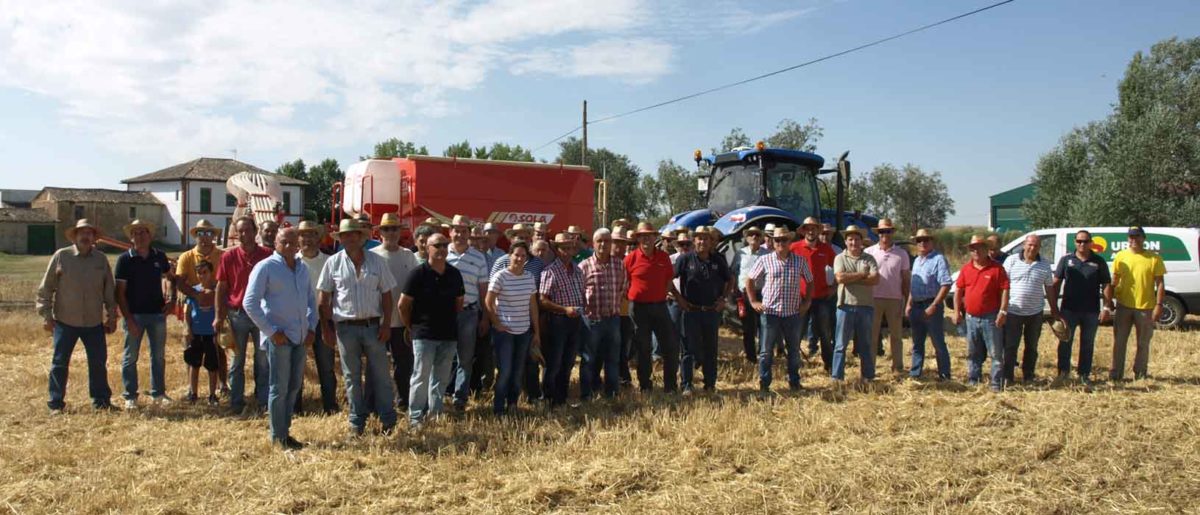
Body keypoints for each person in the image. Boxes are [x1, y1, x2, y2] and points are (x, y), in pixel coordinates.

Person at [318, 218, 398, 435]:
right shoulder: (332, 263)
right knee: (351, 377)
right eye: (346, 235)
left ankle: (388, 421)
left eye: (354, 234)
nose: (350, 238)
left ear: (362, 237)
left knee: (381, 376)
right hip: (345, 328)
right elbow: (323, 299)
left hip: (374, 326)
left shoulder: (377, 262)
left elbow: (387, 295)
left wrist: (386, 324)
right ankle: (356, 422)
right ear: (341, 239)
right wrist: (327, 329)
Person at [244, 228, 318, 450]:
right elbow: (250, 303)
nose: (288, 246)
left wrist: (312, 327)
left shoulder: (302, 268)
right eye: (283, 242)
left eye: (292, 242)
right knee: (279, 387)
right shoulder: (265, 267)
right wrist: (271, 331)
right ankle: (278, 436)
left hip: (300, 337)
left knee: (294, 386)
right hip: (280, 338)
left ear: (298, 245)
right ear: (275, 243)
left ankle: (285, 431)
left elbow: (311, 301)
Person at [37, 219, 117, 414]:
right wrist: (46, 315)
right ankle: (56, 404)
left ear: (93, 237)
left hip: (93, 323)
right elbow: (46, 289)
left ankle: (101, 402)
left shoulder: (100, 260)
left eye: (89, 233)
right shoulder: (61, 256)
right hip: (65, 321)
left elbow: (109, 291)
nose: (85, 236)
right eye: (82, 233)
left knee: (98, 363)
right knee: (59, 363)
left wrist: (112, 316)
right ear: (75, 236)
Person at [398, 233, 464, 428]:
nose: (442, 249)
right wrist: (411, 327)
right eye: (437, 245)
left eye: (445, 245)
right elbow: (403, 305)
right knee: (420, 377)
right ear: (427, 248)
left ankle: (436, 415)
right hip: (424, 334)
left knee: (441, 379)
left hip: (448, 335)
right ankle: (416, 418)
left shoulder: (454, 274)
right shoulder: (417, 274)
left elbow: (459, 303)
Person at [215, 216, 273, 415]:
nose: (244, 234)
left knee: (263, 360)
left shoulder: (267, 255)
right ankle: (236, 402)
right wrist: (219, 316)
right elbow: (221, 288)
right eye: (240, 231)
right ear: (235, 233)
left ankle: (264, 401)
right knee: (237, 362)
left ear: (255, 231)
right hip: (237, 314)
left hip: (261, 315)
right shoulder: (228, 257)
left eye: (247, 230)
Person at [115, 219, 175, 409]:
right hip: (134, 315)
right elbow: (120, 292)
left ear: (150, 236)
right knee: (130, 357)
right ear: (131, 237)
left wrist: (172, 300)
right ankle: (130, 396)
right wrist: (128, 319)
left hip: (157, 314)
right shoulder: (124, 259)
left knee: (158, 356)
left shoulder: (160, 256)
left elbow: (172, 278)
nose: (140, 236)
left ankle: (158, 393)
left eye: (143, 232)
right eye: (136, 233)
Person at [746, 226, 813, 393]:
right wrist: (753, 301)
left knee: (794, 351)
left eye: (784, 240)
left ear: (790, 241)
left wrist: (807, 303)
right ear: (773, 242)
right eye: (777, 240)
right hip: (770, 314)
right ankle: (764, 384)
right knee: (766, 352)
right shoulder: (765, 260)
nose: (780, 243)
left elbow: (810, 281)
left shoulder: (800, 261)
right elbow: (749, 280)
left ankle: (794, 383)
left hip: (792, 313)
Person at [625, 222, 688, 393]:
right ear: (637, 238)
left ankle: (670, 386)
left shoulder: (663, 257)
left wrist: (667, 293)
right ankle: (645, 385)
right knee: (643, 348)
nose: (646, 238)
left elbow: (669, 280)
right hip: (638, 309)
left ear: (655, 237)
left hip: (660, 306)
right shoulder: (630, 258)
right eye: (642, 236)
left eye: (649, 235)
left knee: (671, 346)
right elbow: (625, 282)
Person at [369, 213, 419, 411]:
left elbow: (416, 286)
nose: (391, 233)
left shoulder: (408, 255)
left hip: (402, 321)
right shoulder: (372, 256)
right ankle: (372, 404)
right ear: (380, 232)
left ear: (400, 231)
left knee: (403, 364)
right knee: (375, 365)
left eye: (394, 229)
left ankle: (403, 401)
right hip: (378, 321)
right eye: (387, 229)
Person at [1105, 226, 1166, 381]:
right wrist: (1109, 300)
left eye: (1137, 236)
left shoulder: (1154, 258)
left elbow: (1160, 284)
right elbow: (1114, 281)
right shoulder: (1120, 256)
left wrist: (1159, 305)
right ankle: (1116, 374)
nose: (1134, 240)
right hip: (1123, 306)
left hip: (1146, 308)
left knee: (1143, 343)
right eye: (1131, 237)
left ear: (1143, 238)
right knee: (1119, 342)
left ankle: (1140, 374)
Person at [675, 226, 732, 394]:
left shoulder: (718, 260)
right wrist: (679, 298)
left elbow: (730, 280)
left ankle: (710, 384)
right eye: (699, 238)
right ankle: (686, 385)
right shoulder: (684, 259)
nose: (702, 241)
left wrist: (723, 299)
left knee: (710, 348)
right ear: (694, 241)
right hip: (690, 310)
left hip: (711, 311)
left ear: (710, 241)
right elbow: (668, 280)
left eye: (706, 238)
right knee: (687, 350)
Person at [486, 241, 540, 415]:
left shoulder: (529, 277)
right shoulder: (500, 276)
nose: (519, 258)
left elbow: (533, 306)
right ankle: (499, 408)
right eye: (516, 255)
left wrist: (536, 331)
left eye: (523, 256)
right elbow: (488, 301)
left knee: (517, 372)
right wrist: (496, 323)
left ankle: (512, 404)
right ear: (510, 255)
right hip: (505, 333)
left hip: (523, 332)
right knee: (505, 372)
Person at [175, 219, 228, 396]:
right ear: (196, 236)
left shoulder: (222, 256)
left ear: (214, 236)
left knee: (219, 348)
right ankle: (192, 389)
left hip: (216, 306)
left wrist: (214, 296)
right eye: (200, 234)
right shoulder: (186, 257)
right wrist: (197, 295)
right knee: (192, 348)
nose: (204, 237)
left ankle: (222, 384)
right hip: (193, 306)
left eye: (208, 233)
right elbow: (180, 283)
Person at [1053, 230, 1111, 387]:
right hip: (1069, 309)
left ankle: (1084, 374)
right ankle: (1063, 373)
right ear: (1075, 242)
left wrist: (1106, 307)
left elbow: (1106, 284)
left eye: (1085, 241)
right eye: (1079, 241)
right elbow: (1056, 282)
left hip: (1091, 311)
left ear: (1091, 242)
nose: (1082, 244)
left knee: (1087, 343)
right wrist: (1054, 307)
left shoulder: (1098, 261)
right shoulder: (1066, 260)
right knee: (1065, 342)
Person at [953, 235, 1010, 392]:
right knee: (973, 353)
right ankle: (974, 380)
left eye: (979, 247)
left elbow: (1005, 289)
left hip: (991, 317)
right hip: (971, 318)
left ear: (986, 249)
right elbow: (958, 291)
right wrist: (957, 311)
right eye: (972, 248)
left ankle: (996, 384)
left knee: (996, 353)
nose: (975, 251)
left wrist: (1003, 311)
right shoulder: (966, 269)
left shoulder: (997, 269)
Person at [445, 215, 490, 411]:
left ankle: (460, 399)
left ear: (469, 234)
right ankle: (441, 397)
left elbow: (484, 291)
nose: (460, 235)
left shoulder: (478, 258)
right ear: (450, 232)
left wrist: (485, 317)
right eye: (457, 230)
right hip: (444, 315)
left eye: (464, 231)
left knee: (465, 358)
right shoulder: (441, 254)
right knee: (443, 357)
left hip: (469, 314)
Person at [1002, 235, 1058, 385]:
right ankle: (1008, 376)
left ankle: (1028, 375)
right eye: (1030, 244)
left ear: (1040, 247)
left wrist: (1054, 309)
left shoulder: (1044, 265)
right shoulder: (1011, 261)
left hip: (1035, 313)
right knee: (1010, 346)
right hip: (1013, 311)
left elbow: (1049, 288)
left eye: (1036, 245)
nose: (1032, 248)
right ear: (1024, 245)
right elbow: (1003, 285)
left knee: (1032, 346)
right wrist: (1002, 308)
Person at [579, 228, 628, 400]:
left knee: (612, 359)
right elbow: (579, 294)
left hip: (613, 319)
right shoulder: (584, 266)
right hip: (592, 321)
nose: (603, 244)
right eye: (599, 241)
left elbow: (623, 288)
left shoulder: (619, 264)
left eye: (607, 241)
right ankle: (586, 394)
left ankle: (612, 393)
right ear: (593, 244)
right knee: (588, 360)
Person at [539, 233, 586, 407]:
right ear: (557, 250)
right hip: (557, 321)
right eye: (563, 248)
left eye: (570, 248)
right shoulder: (549, 271)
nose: (567, 251)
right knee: (554, 362)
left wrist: (583, 306)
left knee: (568, 362)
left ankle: (561, 398)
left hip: (575, 320)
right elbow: (542, 300)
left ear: (574, 250)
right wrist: (564, 309)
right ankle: (550, 398)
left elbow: (581, 294)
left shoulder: (578, 270)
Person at [297, 220, 339, 414]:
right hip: (297, 321)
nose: (308, 239)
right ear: (298, 239)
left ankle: (330, 405)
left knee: (326, 365)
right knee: (297, 366)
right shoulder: (292, 261)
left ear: (319, 238)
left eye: (312, 234)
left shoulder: (329, 261)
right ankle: (295, 406)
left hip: (323, 320)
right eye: (304, 235)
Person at [831, 225, 880, 383]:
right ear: (845, 241)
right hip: (845, 305)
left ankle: (868, 376)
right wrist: (862, 275)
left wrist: (850, 278)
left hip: (865, 306)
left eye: (857, 239)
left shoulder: (869, 258)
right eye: (850, 239)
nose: (854, 242)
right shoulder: (839, 258)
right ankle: (837, 377)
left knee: (865, 345)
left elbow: (875, 279)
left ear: (861, 241)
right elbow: (839, 278)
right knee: (840, 345)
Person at [790, 217, 837, 372]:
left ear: (818, 230)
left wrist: (834, 287)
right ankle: (794, 366)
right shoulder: (794, 248)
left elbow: (838, 269)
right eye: (808, 228)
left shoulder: (826, 250)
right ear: (803, 231)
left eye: (814, 228)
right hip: (800, 298)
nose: (811, 231)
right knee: (796, 333)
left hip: (821, 298)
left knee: (825, 333)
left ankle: (829, 365)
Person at [905, 229, 952, 379]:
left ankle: (944, 374)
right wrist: (908, 304)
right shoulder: (917, 260)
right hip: (916, 306)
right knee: (917, 343)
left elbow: (946, 284)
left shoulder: (939, 259)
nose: (923, 243)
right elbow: (914, 285)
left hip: (931, 304)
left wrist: (934, 305)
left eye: (926, 240)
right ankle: (915, 373)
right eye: (919, 240)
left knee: (938, 343)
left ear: (932, 241)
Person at [865, 218, 910, 371]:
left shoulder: (902, 254)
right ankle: (870, 368)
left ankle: (897, 367)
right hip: (873, 298)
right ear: (878, 233)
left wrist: (907, 300)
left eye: (888, 231)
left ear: (892, 232)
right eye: (882, 231)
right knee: (872, 335)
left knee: (896, 336)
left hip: (895, 299)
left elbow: (905, 279)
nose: (885, 234)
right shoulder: (869, 252)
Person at [183, 261, 220, 405]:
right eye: (199, 273)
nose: (202, 275)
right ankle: (193, 393)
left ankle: (212, 395)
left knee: (212, 365)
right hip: (196, 332)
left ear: (211, 273)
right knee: (194, 364)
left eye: (205, 272)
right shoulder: (193, 291)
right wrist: (187, 328)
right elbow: (187, 312)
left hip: (211, 333)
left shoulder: (217, 290)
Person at [732, 227, 769, 364]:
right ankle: (751, 358)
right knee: (748, 328)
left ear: (761, 238)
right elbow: (733, 272)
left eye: (757, 234)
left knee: (765, 326)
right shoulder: (740, 254)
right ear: (746, 238)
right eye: (751, 234)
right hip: (744, 294)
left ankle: (764, 354)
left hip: (763, 294)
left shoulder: (767, 254)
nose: (754, 236)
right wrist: (734, 290)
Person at [611, 228, 636, 387]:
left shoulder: (629, 261)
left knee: (623, 347)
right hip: (606, 312)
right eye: (616, 243)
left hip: (625, 311)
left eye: (622, 243)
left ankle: (622, 376)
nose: (619, 246)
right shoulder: (604, 262)